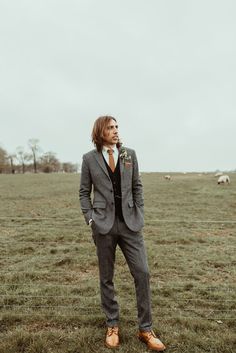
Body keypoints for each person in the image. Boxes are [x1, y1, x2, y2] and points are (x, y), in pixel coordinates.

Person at [79, 116, 166, 351]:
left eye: (117, 126)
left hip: (131, 225)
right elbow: (84, 192)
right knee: (106, 277)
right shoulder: (89, 159)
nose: (115, 130)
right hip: (103, 226)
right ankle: (112, 325)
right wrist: (90, 219)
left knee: (143, 273)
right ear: (100, 132)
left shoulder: (130, 155)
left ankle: (145, 329)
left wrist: (140, 213)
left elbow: (137, 186)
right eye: (110, 127)